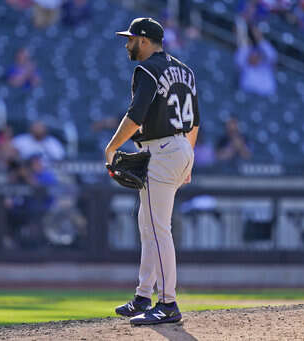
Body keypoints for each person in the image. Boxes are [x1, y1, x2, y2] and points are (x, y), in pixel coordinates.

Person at [106, 17, 199, 325]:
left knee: (158, 230)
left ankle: (168, 303)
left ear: (144, 41)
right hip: (179, 147)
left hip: (163, 150)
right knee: (147, 224)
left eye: (131, 38)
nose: (127, 43)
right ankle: (143, 296)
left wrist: (112, 147)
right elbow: (195, 121)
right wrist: (188, 159)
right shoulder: (184, 71)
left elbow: (135, 117)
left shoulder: (147, 69)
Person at [235, 26, 277, 96]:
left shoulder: (266, 68)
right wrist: (244, 33)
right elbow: (241, 53)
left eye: (257, 56)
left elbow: (272, 55)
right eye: (252, 56)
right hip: (247, 96)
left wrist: (260, 39)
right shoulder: (245, 66)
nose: (254, 58)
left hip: (266, 99)